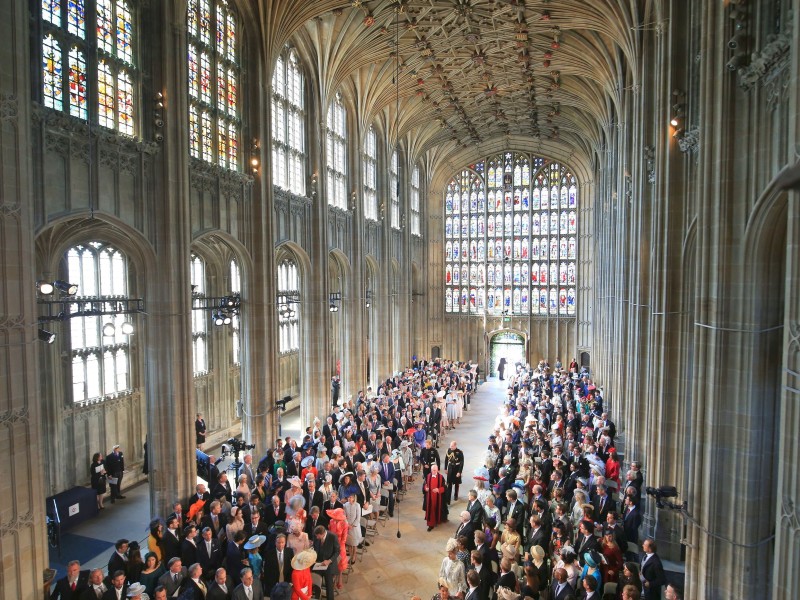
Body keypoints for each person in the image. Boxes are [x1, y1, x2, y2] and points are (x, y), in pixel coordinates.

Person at [312, 525, 341, 600]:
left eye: (318, 536)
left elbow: (337, 551)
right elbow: (315, 548)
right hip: (319, 563)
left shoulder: (333, 537)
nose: (317, 538)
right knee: (316, 583)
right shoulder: (316, 536)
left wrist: (329, 561)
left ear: (323, 533)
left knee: (329, 585)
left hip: (329, 565)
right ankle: (317, 597)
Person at [423, 464, 447, 532]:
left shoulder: (441, 477)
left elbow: (445, 487)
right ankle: (431, 525)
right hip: (429, 498)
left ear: (437, 470)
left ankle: (437, 521)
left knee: (437, 510)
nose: (433, 471)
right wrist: (426, 488)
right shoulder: (428, 476)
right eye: (432, 470)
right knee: (431, 511)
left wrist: (438, 490)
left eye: (435, 470)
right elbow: (425, 484)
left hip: (438, 498)